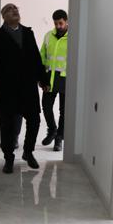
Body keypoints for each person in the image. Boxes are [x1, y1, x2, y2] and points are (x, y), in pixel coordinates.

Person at [0, 3, 48, 174]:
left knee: (34, 120)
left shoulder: (28, 33)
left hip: (28, 85)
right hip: (7, 87)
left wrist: (43, 80)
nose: (15, 11)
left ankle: (28, 152)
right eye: (10, 9)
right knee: (7, 124)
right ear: (3, 16)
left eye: (16, 9)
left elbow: (36, 58)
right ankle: (9, 158)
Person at [40, 9, 69, 152]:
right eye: (56, 23)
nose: (58, 26)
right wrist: (41, 77)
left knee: (64, 111)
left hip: (66, 79)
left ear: (66, 21)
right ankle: (52, 130)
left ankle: (59, 138)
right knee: (46, 106)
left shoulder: (73, 37)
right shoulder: (48, 36)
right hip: (50, 78)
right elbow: (42, 57)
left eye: (60, 23)